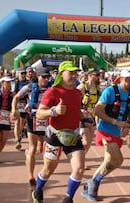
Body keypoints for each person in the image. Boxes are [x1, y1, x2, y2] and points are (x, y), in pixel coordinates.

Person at [81, 68, 130, 201]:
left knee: (108, 161)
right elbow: (98, 110)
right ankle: (93, 183)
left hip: (116, 133)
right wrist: (116, 122)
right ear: (125, 79)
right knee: (118, 160)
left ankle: (92, 185)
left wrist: (129, 125)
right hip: (105, 129)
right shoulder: (110, 91)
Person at [32, 61, 86, 203]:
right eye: (70, 72)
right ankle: (37, 189)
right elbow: (39, 114)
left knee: (79, 168)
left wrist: (84, 115)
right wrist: (53, 111)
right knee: (48, 170)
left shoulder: (77, 93)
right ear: (62, 74)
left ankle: (68, 198)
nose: (74, 75)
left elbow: (75, 112)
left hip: (73, 135)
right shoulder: (52, 92)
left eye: (75, 72)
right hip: (55, 134)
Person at [11, 67, 51, 191]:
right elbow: (16, 97)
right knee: (33, 148)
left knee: (42, 148)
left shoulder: (52, 88)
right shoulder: (29, 87)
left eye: (47, 77)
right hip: (32, 118)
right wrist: (14, 109)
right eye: (43, 77)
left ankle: (28, 154)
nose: (46, 79)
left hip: (45, 119)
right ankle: (31, 177)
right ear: (38, 76)